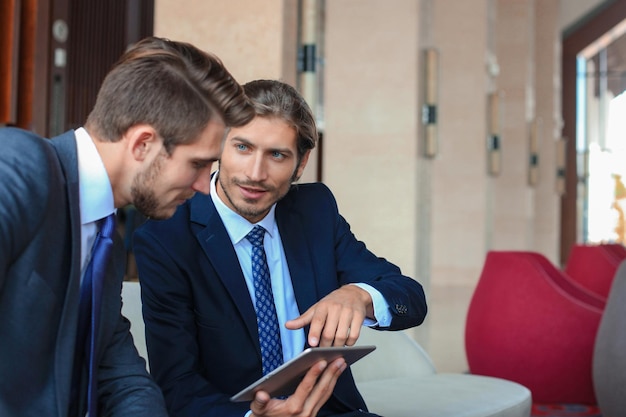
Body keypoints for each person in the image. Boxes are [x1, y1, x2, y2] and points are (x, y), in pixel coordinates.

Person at [133, 79, 428, 417]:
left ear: (300, 165)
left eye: (276, 155)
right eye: (243, 148)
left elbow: (411, 299)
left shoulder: (314, 211)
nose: (255, 173)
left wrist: (360, 296)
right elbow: (176, 385)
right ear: (219, 146)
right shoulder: (166, 238)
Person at [0, 36, 254, 417]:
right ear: (142, 144)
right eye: (198, 164)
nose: (204, 185)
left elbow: (119, 376)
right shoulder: (20, 167)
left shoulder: (108, 243)